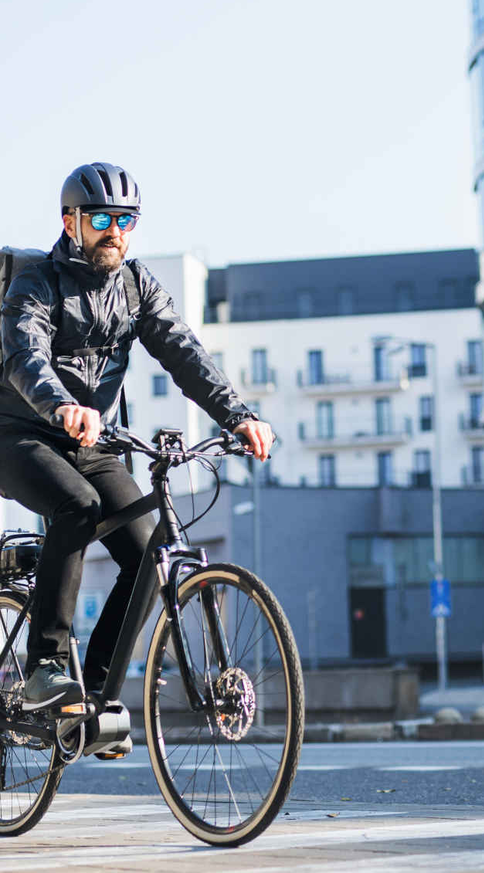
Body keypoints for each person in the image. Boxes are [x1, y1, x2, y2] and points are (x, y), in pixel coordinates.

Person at [0, 162, 273, 714]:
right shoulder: (35, 280)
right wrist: (61, 405)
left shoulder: (135, 284)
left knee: (151, 552)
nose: (114, 229)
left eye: (126, 218)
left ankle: (93, 694)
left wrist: (237, 415)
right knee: (76, 506)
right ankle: (45, 668)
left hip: (93, 442)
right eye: (101, 217)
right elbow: (24, 353)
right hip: (20, 432)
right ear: (70, 221)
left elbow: (183, 350)